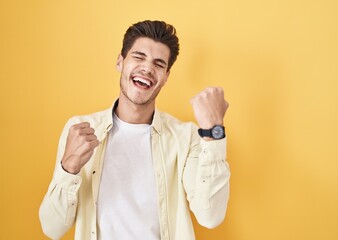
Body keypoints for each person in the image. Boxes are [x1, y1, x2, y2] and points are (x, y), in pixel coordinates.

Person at [39, 20, 230, 240]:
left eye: (159, 64)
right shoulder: (81, 130)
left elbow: (210, 216)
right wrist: (69, 167)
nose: (147, 68)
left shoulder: (186, 137)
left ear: (166, 76)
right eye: (139, 57)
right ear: (120, 62)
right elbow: (51, 228)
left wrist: (214, 133)